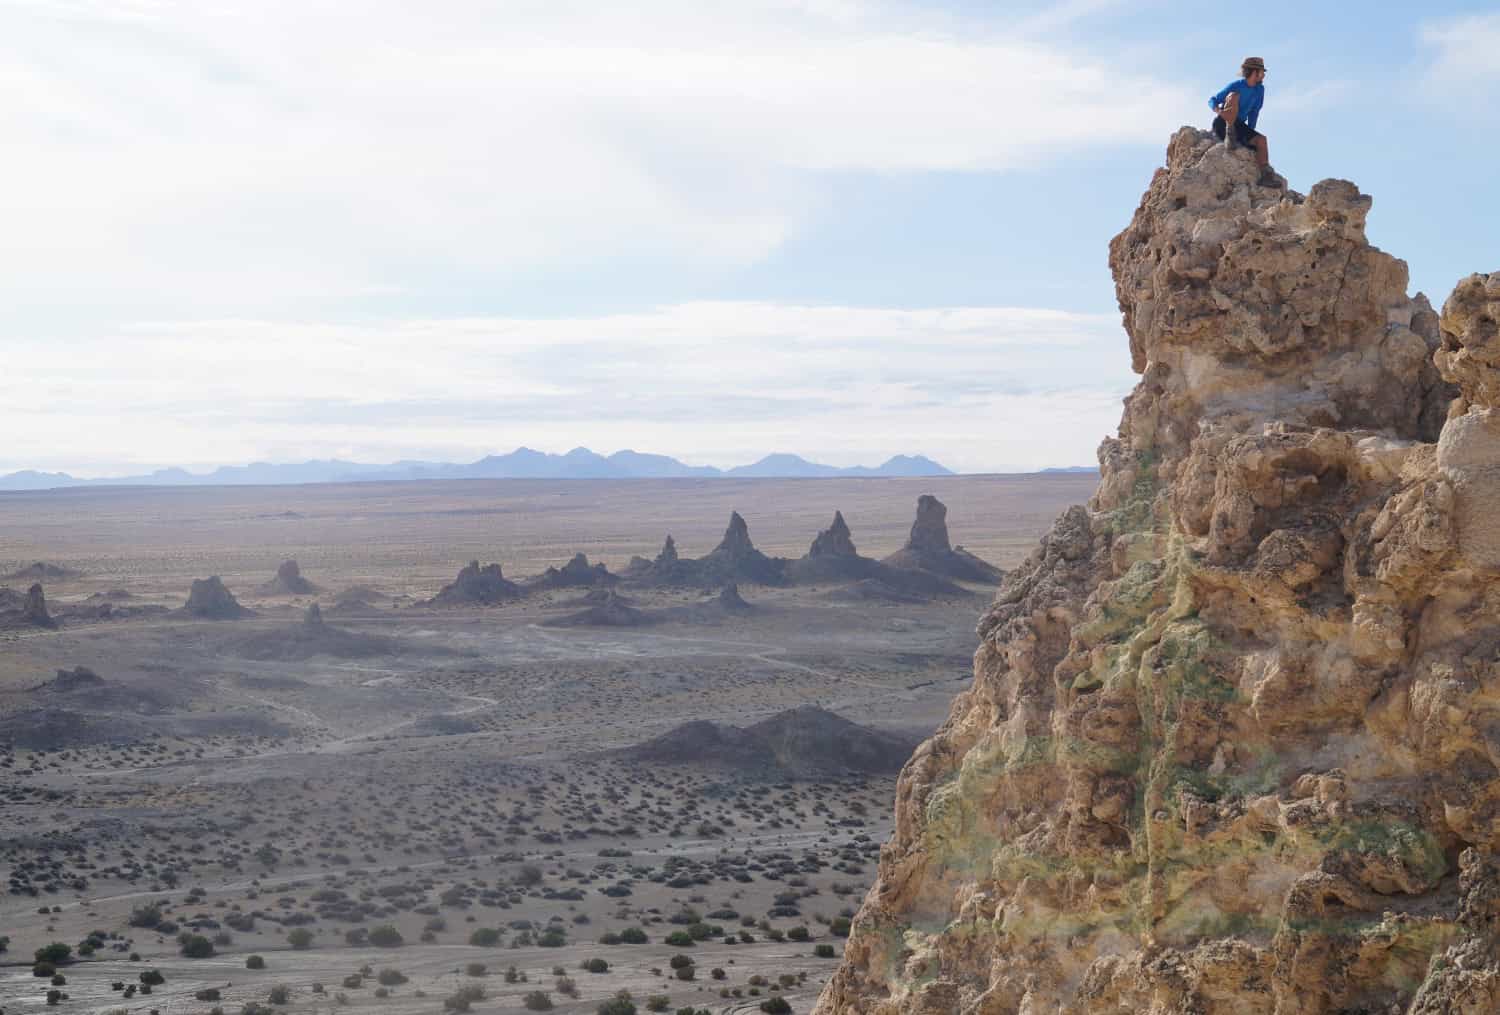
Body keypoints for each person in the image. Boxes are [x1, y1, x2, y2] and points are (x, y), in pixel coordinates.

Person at [1210, 57, 1276, 186]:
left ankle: (1265, 176)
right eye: (1262, 71)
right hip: (1223, 123)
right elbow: (1212, 100)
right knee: (1234, 96)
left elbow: (1254, 113)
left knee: (1261, 140)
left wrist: (1252, 133)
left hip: (1239, 126)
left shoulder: (1259, 90)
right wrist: (1219, 111)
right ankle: (1229, 135)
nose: (1264, 75)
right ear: (1254, 72)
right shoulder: (1236, 85)